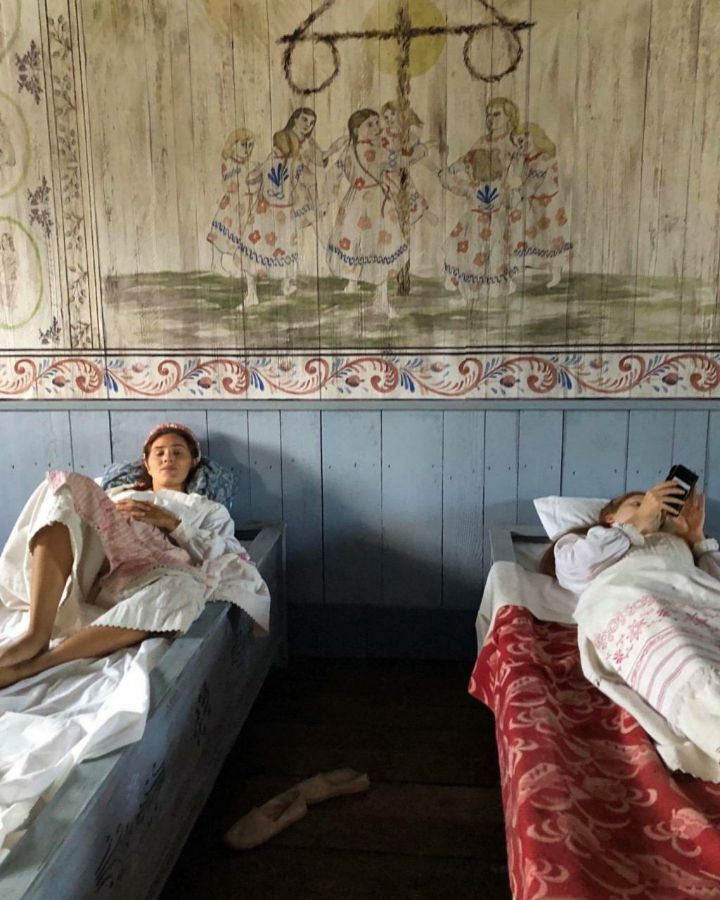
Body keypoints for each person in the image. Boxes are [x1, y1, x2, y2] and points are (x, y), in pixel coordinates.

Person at [0, 423, 270, 689]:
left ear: (193, 463)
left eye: (178, 453)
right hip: (99, 562)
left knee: (185, 590)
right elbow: (76, 514)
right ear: (147, 464)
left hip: (152, 574)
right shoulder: (119, 493)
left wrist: (173, 524)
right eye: (159, 453)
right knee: (62, 486)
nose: (168, 458)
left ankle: (37, 665)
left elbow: (221, 551)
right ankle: (36, 634)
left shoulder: (208, 509)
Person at [538, 481, 719, 592]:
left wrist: (696, 537)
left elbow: (713, 586)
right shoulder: (593, 540)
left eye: (659, 515)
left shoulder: (677, 543)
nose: (651, 512)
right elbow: (574, 568)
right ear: (610, 518)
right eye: (638, 504)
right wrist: (638, 520)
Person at [327, 108, 410, 316]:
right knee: (380, 248)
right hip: (375, 203)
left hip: (354, 202)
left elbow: (334, 173)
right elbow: (399, 161)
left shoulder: (349, 150)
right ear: (357, 130)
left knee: (363, 246)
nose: (376, 127)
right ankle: (380, 298)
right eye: (370, 124)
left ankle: (377, 297)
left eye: (377, 123)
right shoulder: (377, 151)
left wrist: (330, 196)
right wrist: (420, 151)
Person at [206, 127, 258, 286]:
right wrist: (250, 184)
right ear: (233, 144)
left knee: (242, 238)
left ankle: (240, 266)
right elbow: (230, 184)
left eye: (250, 145)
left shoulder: (250, 164)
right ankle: (216, 263)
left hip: (246, 207)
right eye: (243, 144)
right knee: (221, 234)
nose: (247, 149)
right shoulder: (229, 163)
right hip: (232, 206)